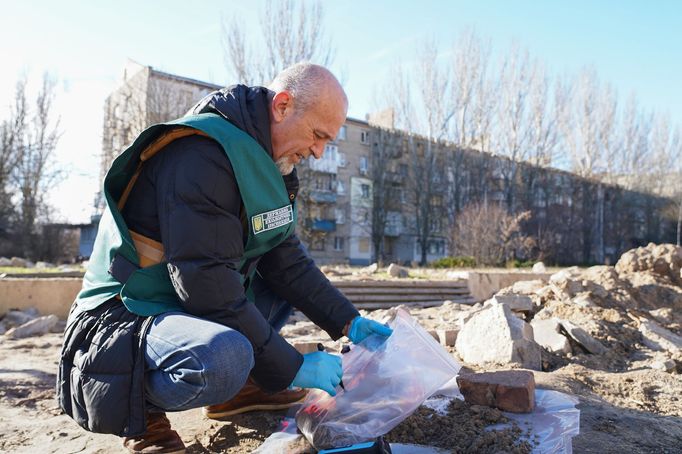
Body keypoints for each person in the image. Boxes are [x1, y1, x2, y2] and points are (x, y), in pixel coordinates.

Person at [57, 63, 393, 454]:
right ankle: (140, 410)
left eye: (327, 141)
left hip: (177, 301)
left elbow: (286, 261)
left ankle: (238, 391)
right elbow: (205, 282)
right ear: (282, 106)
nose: (318, 151)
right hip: (122, 316)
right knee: (225, 357)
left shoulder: (273, 162)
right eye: (317, 135)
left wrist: (347, 321)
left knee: (278, 283)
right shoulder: (202, 155)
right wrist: (291, 366)